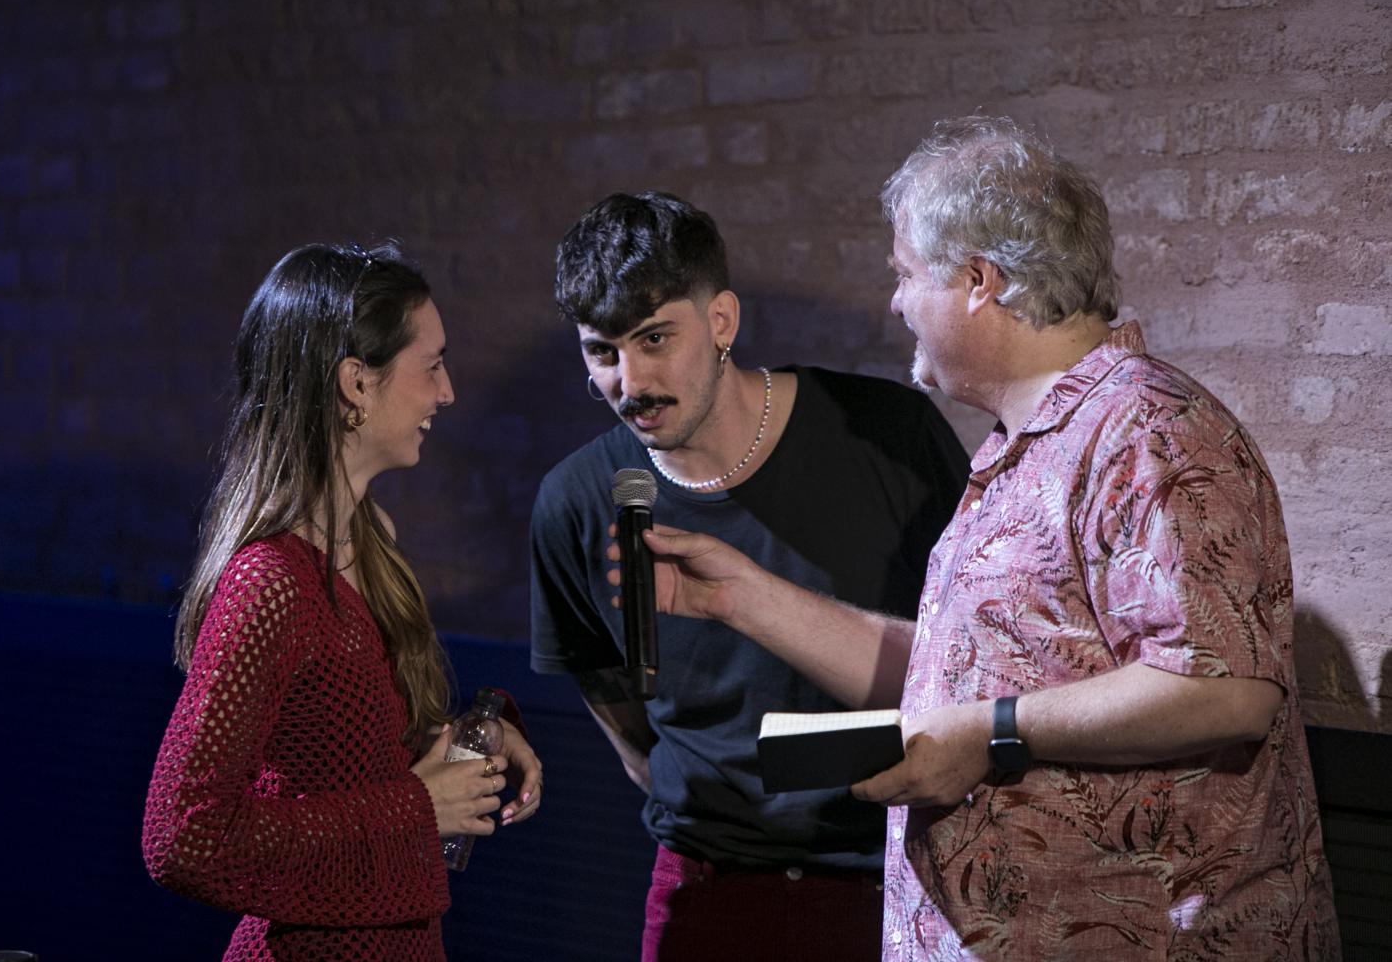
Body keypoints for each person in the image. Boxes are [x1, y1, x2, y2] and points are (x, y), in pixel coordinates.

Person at [619, 118, 1340, 960]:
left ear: (977, 280)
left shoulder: (1152, 431)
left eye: (905, 275)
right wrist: (739, 597)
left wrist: (989, 731)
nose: (896, 302)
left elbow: (1225, 692)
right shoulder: (1027, 445)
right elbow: (963, 674)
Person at [529, 192, 969, 960]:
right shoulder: (575, 501)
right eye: (603, 352)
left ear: (721, 321)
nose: (631, 382)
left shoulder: (887, 434)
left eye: (655, 339)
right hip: (707, 886)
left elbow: (984, 658)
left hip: (892, 874)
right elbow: (623, 721)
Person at [142, 242, 543, 962]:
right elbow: (182, 836)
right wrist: (417, 808)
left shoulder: (370, 538)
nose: (447, 393)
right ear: (357, 383)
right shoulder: (268, 583)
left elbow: (349, 756)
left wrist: (469, 737)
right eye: (432, 366)